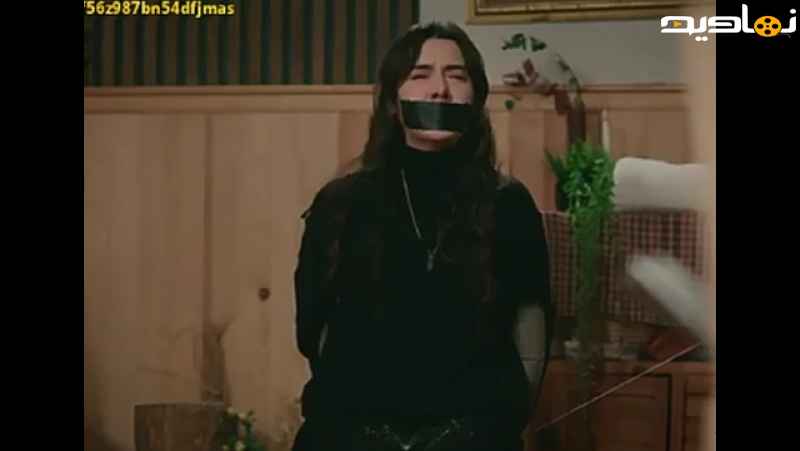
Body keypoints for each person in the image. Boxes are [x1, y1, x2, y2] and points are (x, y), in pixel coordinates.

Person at [291, 22, 552, 451]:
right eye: (420, 74)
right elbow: (312, 328)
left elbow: (531, 329)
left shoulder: (509, 204)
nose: (440, 90)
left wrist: (497, 423)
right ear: (393, 102)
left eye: (456, 76)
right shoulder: (341, 203)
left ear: (475, 99)